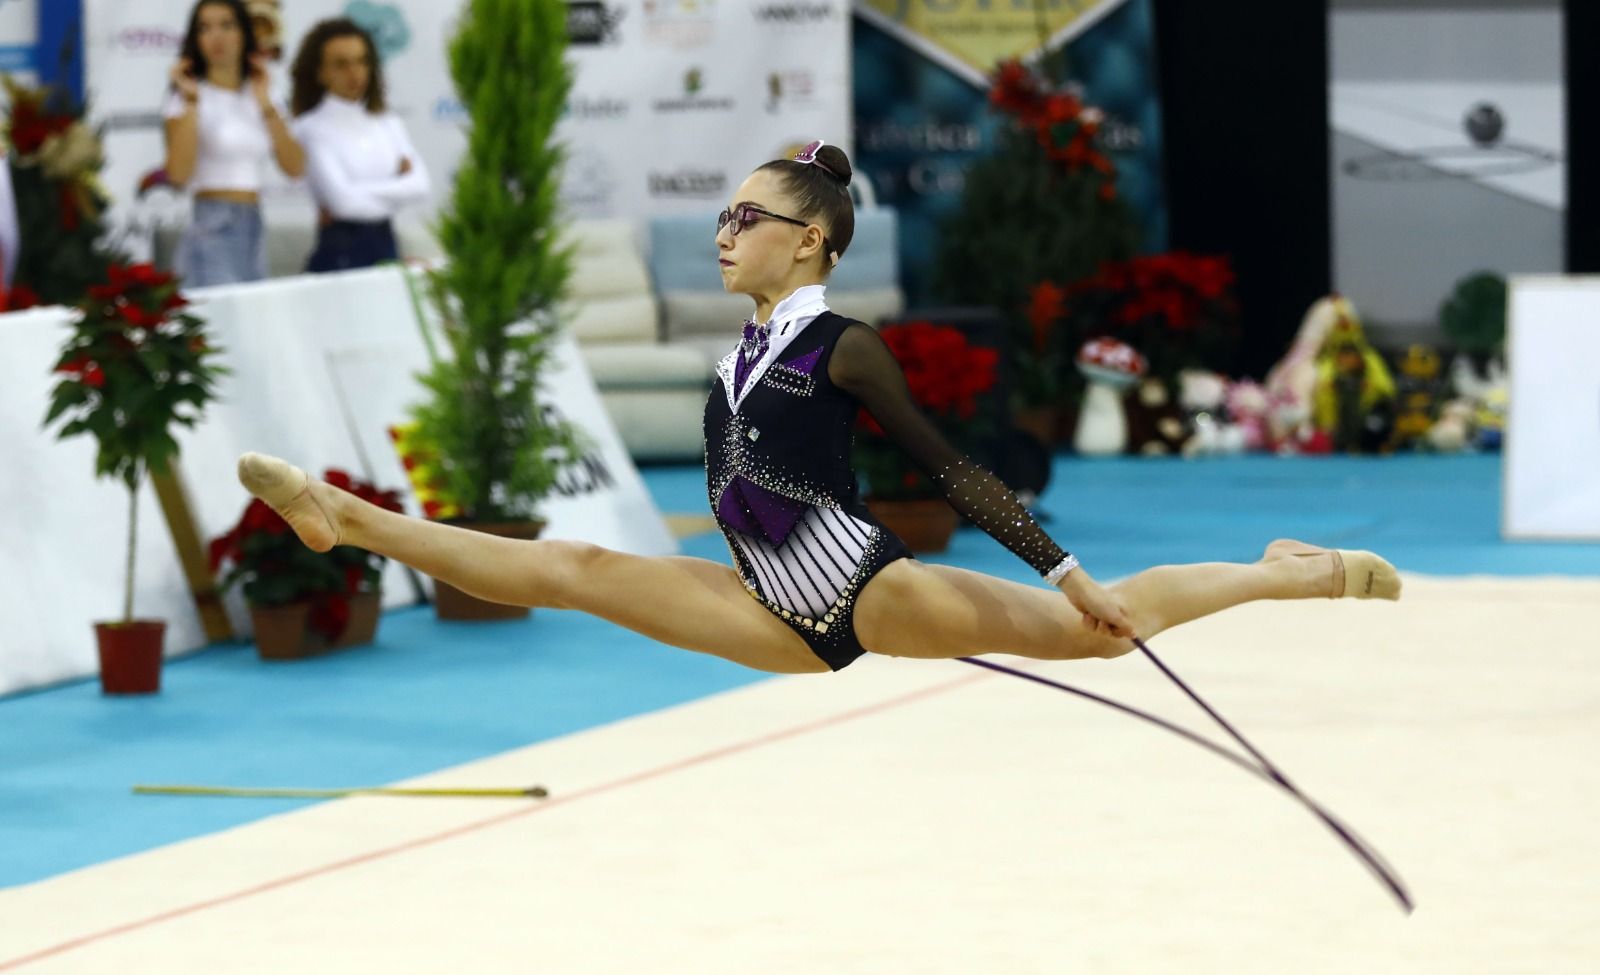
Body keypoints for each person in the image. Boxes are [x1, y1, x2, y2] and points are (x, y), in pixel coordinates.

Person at [236, 140, 1401, 676]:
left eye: (746, 218)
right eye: (727, 216)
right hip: (768, 602)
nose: (724, 233)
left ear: (809, 241)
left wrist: (1063, 569)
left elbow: (952, 470)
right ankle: (348, 519)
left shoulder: (846, 348)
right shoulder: (740, 353)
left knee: (1099, 631)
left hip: (863, 586)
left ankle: (1287, 569)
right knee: (574, 570)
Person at [162, 0, 305, 286]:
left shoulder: (263, 93)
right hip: (212, 221)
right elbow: (178, 174)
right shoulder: (187, 98)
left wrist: (265, 103)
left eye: (226, 25)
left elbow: (295, 166)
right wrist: (191, 101)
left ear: (244, 32)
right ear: (196, 39)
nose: (217, 37)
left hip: (253, 221)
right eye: (205, 28)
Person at [289, 18, 429, 273]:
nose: (354, 73)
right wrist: (397, 188)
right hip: (339, 255)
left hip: (387, 247)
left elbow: (420, 186)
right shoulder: (310, 128)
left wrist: (359, 190)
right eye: (341, 64)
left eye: (362, 61)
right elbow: (343, 203)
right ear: (320, 72)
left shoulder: (387, 122)